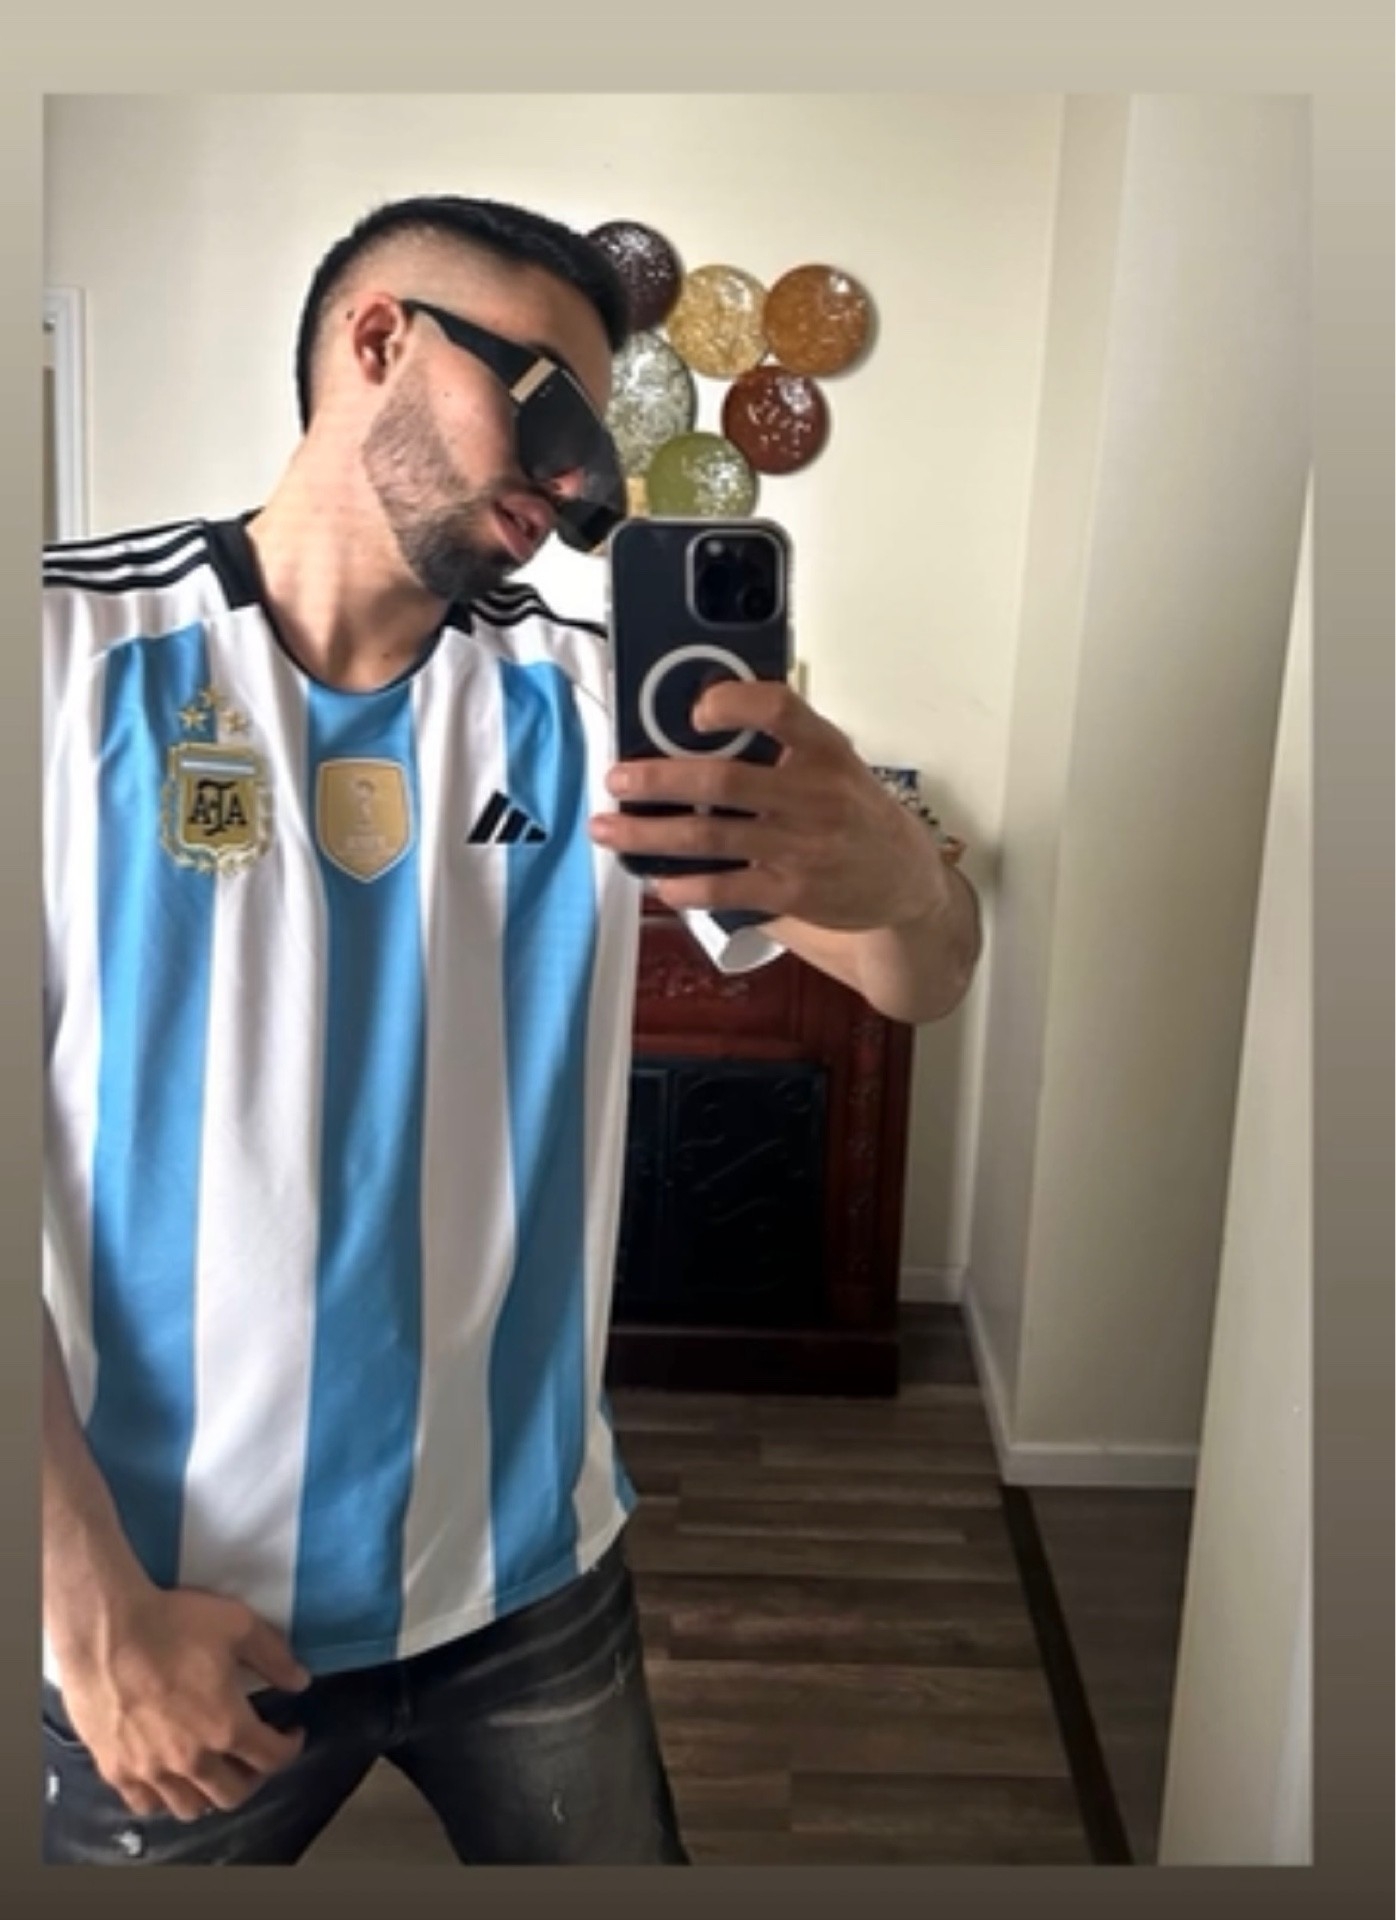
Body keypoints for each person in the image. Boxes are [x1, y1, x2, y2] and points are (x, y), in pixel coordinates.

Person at [41, 194, 982, 1867]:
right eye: (548, 411)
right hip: (165, 1607)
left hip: (527, 1577)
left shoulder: (597, 701)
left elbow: (923, 978)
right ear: (379, 339)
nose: (576, 487)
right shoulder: (58, 662)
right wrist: (89, 1614)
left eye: (599, 458)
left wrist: (904, 874)